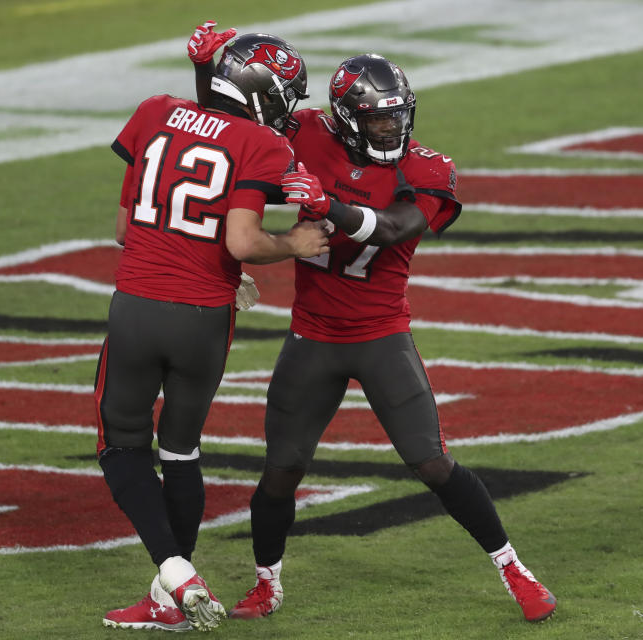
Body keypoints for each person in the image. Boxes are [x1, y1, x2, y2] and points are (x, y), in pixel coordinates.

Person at [184, 23, 558, 624]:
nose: (393, 129)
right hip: (313, 336)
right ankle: (265, 583)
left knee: (432, 462)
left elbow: (392, 229)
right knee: (281, 470)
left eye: (397, 117)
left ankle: (515, 570)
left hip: (382, 335)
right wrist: (208, 73)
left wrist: (324, 203)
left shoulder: (429, 169)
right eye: (379, 120)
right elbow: (232, 135)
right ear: (346, 118)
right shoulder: (306, 134)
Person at [96, 25, 328, 632]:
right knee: (180, 450)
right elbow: (245, 241)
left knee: (121, 444)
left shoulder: (153, 111)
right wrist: (296, 241)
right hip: (205, 317)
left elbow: (125, 229)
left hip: (141, 302)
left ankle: (175, 573)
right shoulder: (261, 143)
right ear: (261, 94)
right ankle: (169, 597)